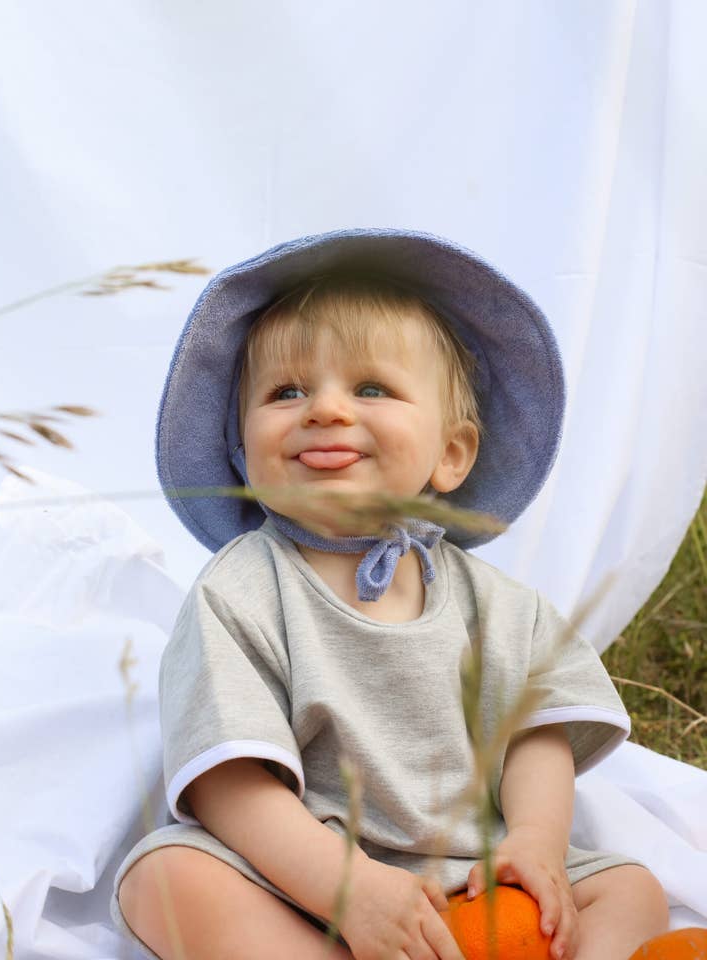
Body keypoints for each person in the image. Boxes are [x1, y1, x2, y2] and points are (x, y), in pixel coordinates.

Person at [111, 229, 670, 960]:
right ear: (243, 456)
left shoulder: (497, 604)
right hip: (306, 882)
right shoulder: (241, 592)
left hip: (477, 877)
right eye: (287, 392)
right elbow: (229, 780)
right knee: (162, 876)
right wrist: (346, 889)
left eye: (370, 388)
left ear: (451, 454)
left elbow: (537, 735)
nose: (326, 410)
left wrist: (534, 843)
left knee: (633, 890)